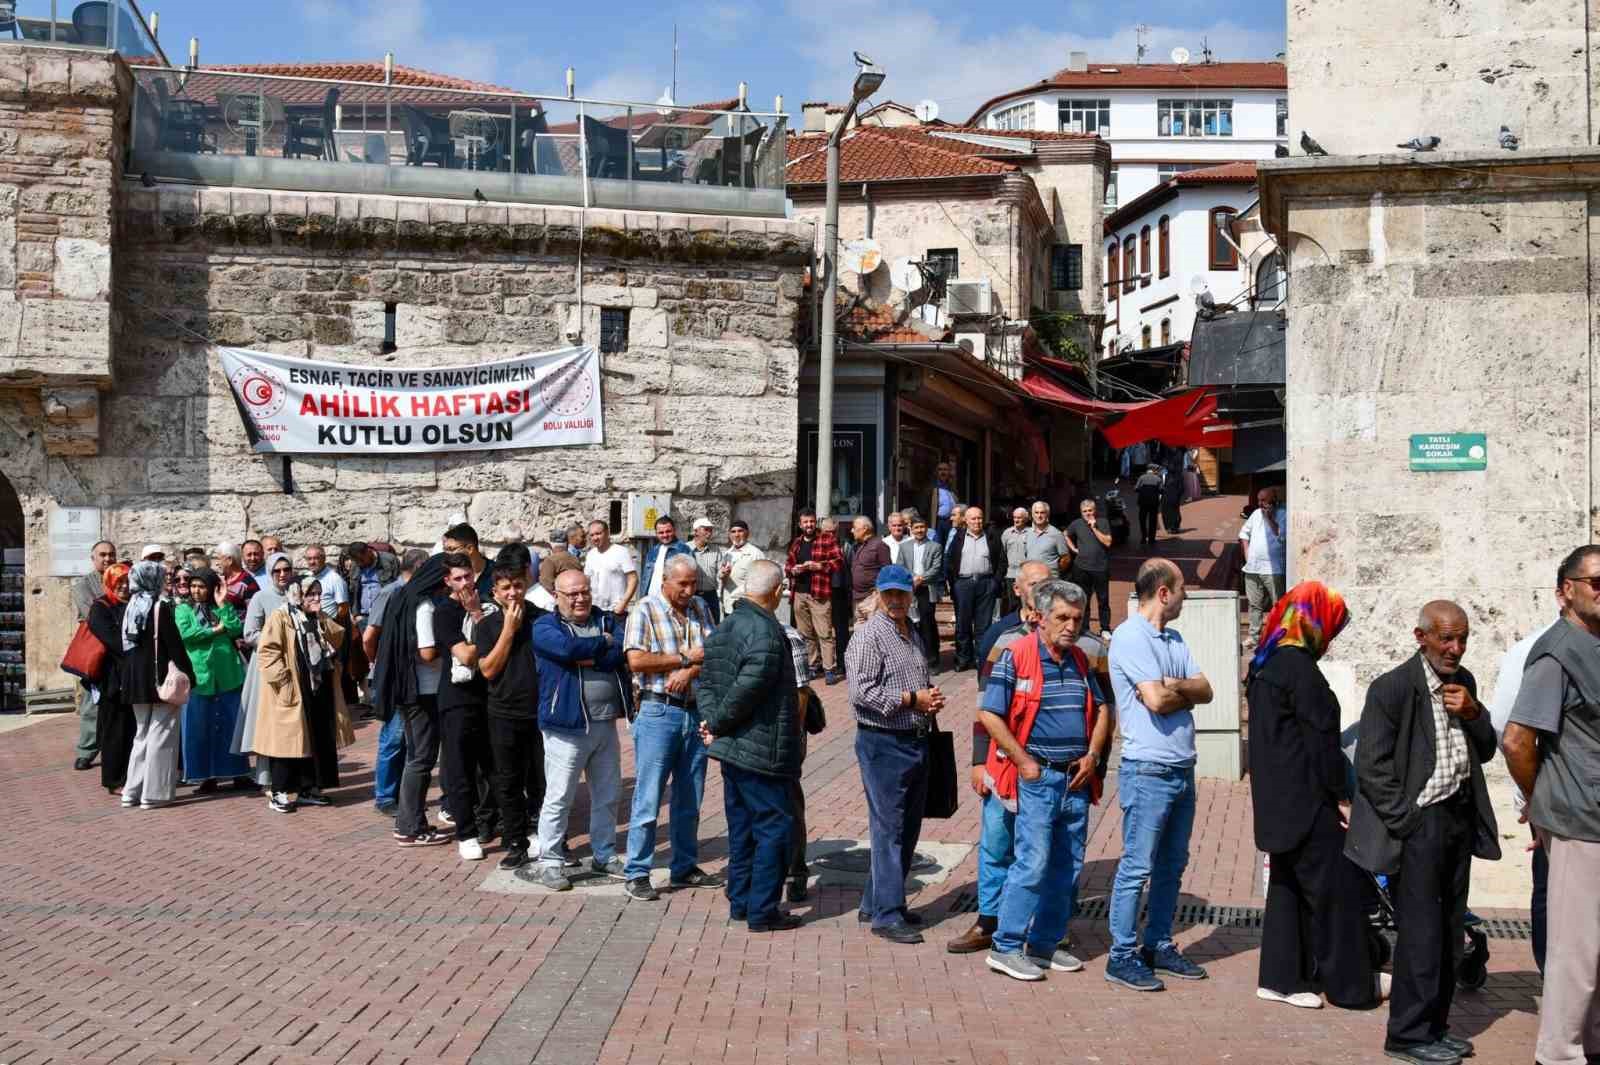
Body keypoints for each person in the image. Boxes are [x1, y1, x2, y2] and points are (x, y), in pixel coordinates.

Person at [1346, 601, 1499, 1065]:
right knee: (1421, 933)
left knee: (1451, 931)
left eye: (1462, 639)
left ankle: (1435, 1025)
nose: (1455, 648)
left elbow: (1487, 749)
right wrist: (1409, 822)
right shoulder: (1393, 689)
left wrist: (1474, 713)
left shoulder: (1463, 682)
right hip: (1420, 825)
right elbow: (1371, 767)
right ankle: (1407, 1035)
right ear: (1422, 637)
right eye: (1446, 638)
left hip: (1458, 819)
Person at [1247, 581, 1381, 1011]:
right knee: (1336, 893)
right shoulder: (1301, 670)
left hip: (1278, 804)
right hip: (1309, 804)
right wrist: (1341, 796)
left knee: (1287, 890)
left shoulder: (1266, 665)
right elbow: (1321, 742)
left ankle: (1281, 978)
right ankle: (1352, 986)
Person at [979, 580, 1110, 980]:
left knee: (1066, 867)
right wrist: (1023, 763)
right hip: (1038, 776)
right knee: (1032, 863)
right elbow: (990, 713)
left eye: (1077, 618)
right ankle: (1005, 945)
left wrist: (1093, 755)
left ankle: (1044, 944)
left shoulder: (1081, 660)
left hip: (1075, 777)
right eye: (1062, 618)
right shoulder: (1015, 654)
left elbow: (1103, 709)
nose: (1071, 626)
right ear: (1040, 618)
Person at [1501, 546, 1600, 1065]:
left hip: (1595, 819)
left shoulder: (1596, 643)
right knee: (1576, 951)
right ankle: (1558, 1054)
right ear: (1566, 589)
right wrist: (1541, 804)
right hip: (1578, 820)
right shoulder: (1555, 652)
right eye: (1597, 582)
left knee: (1595, 950)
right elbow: (1517, 739)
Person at [1105, 558, 1214, 992]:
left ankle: (1160, 944)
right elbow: (1156, 701)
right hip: (1147, 768)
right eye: (1183, 588)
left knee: (1172, 864)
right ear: (1164, 593)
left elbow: (1206, 688)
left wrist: (1177, 687)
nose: (1186, 596)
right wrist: (1176, 690)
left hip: (1181, 765)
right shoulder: (1132, 636)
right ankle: (1122, 954)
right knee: (1137, 865)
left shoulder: (1174, 637)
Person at [947, 559, 1053, 955]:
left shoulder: (1069, 635)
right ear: (1019, 590)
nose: (1043, 589)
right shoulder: (999, 635)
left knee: (1041, 846)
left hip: (1045, 764)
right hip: (1000, 761)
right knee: (995, 843)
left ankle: (1040, 923)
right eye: (1035, 584)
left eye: (1049, 583)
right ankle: (988, 920)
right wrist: (977, 761)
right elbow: (983, 706)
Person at [698, 559, 805, 932]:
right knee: (774, 828)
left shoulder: (727, 625)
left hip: (735, 747)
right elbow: (749, 686)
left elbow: (707, 682)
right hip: (762, 749)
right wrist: (718, 721)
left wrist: (714, 720)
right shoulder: (766, 632)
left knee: (743, 827)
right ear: (776, 592)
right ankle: (761, 909)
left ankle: (742, 901)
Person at [848, 564, 943, 943]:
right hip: (882, 741)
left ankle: (878, 901)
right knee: (890, 828)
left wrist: (929, 697)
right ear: (878, 595)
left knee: (907, 826)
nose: (895, 601)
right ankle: (886, 916)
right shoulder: (869, 636)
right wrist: (910, 700)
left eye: (901, 594)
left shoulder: (911, 632)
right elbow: (861, 694)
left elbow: (917, 680)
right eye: (888, 594)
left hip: (914, 737)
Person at [621, 555, 721, 900]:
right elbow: (636, 659)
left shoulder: (700, 608)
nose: (689, 590)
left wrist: (689, 670)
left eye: (694, 583)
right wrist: (683, 659)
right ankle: (637, 870)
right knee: (648, 796)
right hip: (657, 711)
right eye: (682, 584)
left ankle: (684, 866)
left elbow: (712, 652)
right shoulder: (645, 609)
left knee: (690, 796)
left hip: (694, 712)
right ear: (665, 580)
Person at [530, 569, 630, 889]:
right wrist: (601, 646)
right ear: (556, 597)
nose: (580, 598)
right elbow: (565, 650)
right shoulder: (544, 626)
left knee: (608, 794)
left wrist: (594, 652)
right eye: (571, 594)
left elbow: (622, 651)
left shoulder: (606, 619)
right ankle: (550, 860)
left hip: (604, 723)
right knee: (560, 796)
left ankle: (604, 855)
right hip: (565, 727)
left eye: (584, 591)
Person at [1488, 605, 1562, 977]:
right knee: (1552, 886)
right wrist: (1534, 793)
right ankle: (1555, 978)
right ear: (1564, 591)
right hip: (1556, 795)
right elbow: (1507, 730)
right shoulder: (1536, 648)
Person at [249, 576, 352, 814]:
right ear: (297, 594)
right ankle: (280, 791)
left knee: (316, 739)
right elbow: (268, 651)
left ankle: (310, 788)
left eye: (318, 593)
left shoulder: (318, 618)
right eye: (310, 594)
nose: (316, 598)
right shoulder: (281, 616)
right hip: (292, 689)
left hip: (318, 688)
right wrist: (284, 682)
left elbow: (338, 637)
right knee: (287, 744)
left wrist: (321, 620)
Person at [475, 559, 541, 869]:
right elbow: (488, 669)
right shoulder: (486, 626)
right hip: (503, 712)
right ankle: (517, 842)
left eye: (517, 585)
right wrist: (509, 630)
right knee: (508, 781)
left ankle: (554, 838)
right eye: (506, 588)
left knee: (545, 780)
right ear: (496, 593)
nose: (513, 593)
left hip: (540, 711)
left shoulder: (541, 619)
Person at [434, 552, 500, 862]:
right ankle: (466, 833)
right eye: (458, 578)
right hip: (457, 699)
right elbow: (467, 656)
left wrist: (481, 621)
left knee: (493, 766)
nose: (465, 583)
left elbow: (504, 644)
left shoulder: (487, 604)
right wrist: (484, 634)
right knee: (459, 768)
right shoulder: (444, 612)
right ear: (447, 581)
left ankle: (491, 822)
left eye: (468, 577)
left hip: (489, 695)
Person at [116, 561, 197, 810]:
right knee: (161, 734)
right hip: (160, 676)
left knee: (141, 735)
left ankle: (132, 791)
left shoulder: (131, 605)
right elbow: (174, 645)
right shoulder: (160, 606)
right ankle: (154, 793)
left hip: (135, 679)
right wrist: (190, 676)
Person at [174, 568, 252, 793]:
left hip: (227, 673)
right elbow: (187, 634)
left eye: (202, 586)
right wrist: (216, 630)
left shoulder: (221, 606)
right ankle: (206, 776)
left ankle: (239, 773)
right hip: (200, 675)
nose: (196, 591)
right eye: (193, 586)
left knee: (230, 725)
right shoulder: (183, 609)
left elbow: (236, 628)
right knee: (201, 728)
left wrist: (223, 602)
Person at [394, 546, 450, 848]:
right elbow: (427, 652)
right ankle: (410, 826)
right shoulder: (425, 605)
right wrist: (453, 645)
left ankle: (409, 821)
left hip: (413, 690)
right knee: (421, 759)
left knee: (416, 758)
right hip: (424, 692)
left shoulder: (406, 596)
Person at [86, 562, 135, 795]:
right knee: (115, 730)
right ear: (109, 584)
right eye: (119, 583)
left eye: (127, 582)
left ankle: (131, 774)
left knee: (132, 728)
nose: (124, 587)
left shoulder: (134, 603)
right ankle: (114, 779)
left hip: (132, 676)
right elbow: (114, 641)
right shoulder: (101, 607)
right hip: (112, 679)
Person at [71, 539, 118, 771]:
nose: (108, 559)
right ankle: (87, 750)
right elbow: (94, 616)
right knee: (91, 702)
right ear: (93, 558)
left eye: (111, 554)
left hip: (119, 651)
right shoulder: (82, 585)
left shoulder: (123, 580)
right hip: (96, 651)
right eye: (103, 555)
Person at [784, 508, 844, 685]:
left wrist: (818, 566)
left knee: (824, 633)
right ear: (800, 524)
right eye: (805, 522)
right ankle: (812, 665)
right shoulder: (796, 543)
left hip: (819, 593)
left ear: (815, 522)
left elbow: (839, 561)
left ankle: (829, 669)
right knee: (805, 634)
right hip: (799, 593)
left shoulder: (827, 539)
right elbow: (788, 565)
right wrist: (793, 570)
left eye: (811, 521)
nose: (809, 525)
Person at [946, 506, 1004, 671]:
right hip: (963, 584)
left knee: (983, 625)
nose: (977, 521)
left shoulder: (992, 536)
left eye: (979, 518)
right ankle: (964, 658)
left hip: (986, 583)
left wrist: (995, 582)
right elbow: (949, 561)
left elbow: (1001, 561)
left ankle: (981, 658)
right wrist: (954, 583)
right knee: (963, 624)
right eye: (973, 518)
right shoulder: (958, 537)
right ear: (966, 520)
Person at [1240, 487, 1288, 647]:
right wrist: (1247, 557)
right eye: (1259, 500)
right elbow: (1244, 534)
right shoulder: (1255, 514)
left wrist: (1269, 519)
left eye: (1264, 501)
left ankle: (1277, 637)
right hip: (1253, 568)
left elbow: (1282, 537)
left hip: (1273, 569)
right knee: (1254, 605)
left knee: (1278, 605)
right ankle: (1254, 637)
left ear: (1273, 501)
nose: (1260, 504)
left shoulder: (1283, 514)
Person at [1065, 498, 1114, 638]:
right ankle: (1084, 628)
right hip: (1081, 567)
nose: (1087, 513)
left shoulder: (1102, 522)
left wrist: (1094, 528)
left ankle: (1105, 628)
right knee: (1083, 599)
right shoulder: (1076, 524)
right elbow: (1066, 534)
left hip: (1100, 567)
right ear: (1081, 512)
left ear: (1095, 511)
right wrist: (1073, 548)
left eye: (1090, 510)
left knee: (1103, 599)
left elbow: (1108, 542)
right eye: (1084, 511)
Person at [907, 516, 945, 671]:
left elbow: (936, 569)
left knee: (927, 624)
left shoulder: (935, 546)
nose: (919, 530)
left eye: (922, 527)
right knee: (912, 624)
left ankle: (932, 660)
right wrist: (911, 580)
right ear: (911, 529)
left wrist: (920, 579)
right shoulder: (905, 547)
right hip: (910, 589)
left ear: (927, 528)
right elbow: (900, 565)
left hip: (927, 589)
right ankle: (915, 659)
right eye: (916, 527)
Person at [583, 520, 638, 615]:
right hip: (594, 610)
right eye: (592, 535)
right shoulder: (591, 555)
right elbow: (587, 580)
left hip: (615, 610)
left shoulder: (621, 552)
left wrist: (623, 603)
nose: (595, 538)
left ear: (607, 533)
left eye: (598, 534)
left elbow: (633, 579)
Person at [638, 516, 692, 602]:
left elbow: (689, 579)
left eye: (668, 531)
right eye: (661, 532)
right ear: (656, 533)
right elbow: (645, 579)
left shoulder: (684, 550)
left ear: (674, 530)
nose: (665, 535)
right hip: (651, 599)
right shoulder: (653, 551)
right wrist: (641, 599)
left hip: (672, 601)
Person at [719, 520, 765, 617]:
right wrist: (722, 575)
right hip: (728, 605)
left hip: (746, 606)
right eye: (733, 532)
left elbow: (761, 582)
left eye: (740, 531)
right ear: (729, 535)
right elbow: (721, 579)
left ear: (747, 533)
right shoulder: (727, 554)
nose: (736, 535)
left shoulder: (756, 554)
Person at [827, 516, 856, 668]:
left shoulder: (846, 547)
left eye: (833, 532)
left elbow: (852, 569)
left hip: (841, 593)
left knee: (841, 630)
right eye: (827, 532)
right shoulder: (818, 546)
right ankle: (825, 663)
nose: (831, 535)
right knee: (823, 630)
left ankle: (842, 663)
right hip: (822, 592)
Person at [849, 516, 891, 622]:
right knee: (859, 634)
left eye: (854, 527)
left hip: (872, 599)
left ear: (865, 529)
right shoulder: (858, 546)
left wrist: (877, 594)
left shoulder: (879, 545)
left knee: (875, 633)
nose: (852, 530)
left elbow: (887, 571)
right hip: (857, 598)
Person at [688, 517, 724, 624]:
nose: (709, 533)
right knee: (693, 625)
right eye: (706, 530)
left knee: (713, 625)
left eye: (710, 530)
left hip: (711, 596)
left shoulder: (716, 550)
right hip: (692, 595)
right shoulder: (685, 548)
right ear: (696, 532)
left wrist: (723, 573)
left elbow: (719, 573)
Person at [1023, 501, 1071, 577]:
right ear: (1032, 515)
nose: (1039, 516)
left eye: (1042, 513)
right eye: (1036, 512)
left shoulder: (1056, 534)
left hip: (1049, 579)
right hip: (1032, 578)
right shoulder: (1027, 533)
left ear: (1047, 515)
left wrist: (1054, 573)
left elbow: (1066, 558)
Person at [210, 542, 258, 610]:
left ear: (229, 560)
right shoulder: (222, 580)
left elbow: (253, 612)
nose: (217, 563)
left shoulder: (248, 583)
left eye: (218, 559)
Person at [1000, 508, 1029, 616]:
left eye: (1019, 518)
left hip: (1025, 574)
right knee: (1012, 604)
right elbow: (1003, 553)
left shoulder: (1031, 533)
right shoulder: (1007, 533)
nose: (1016, 520)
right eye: (1015, 517)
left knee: (1025, 602)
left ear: (1026, 519)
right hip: (1010, 573)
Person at [1135, 464, 1163, 546]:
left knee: (1142, 519)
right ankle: (1151, 539)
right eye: (1157, 470)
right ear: (1154, 470)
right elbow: (1161, 490)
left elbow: (1136, 488)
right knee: (1153, 521)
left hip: (1143, 502)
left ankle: (1143, 538)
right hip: (1154, 503)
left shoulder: (1142, 477)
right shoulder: (1158, 478)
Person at [932, 461, 957, 546]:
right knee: (937, 546)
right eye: (940, 470)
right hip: (938, 522)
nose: (943, 472)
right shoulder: (932, 487)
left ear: (949, 472)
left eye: (945, 470)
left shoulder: (952, 488)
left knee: (950, 546)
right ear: (936, 472)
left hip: (951, 521)